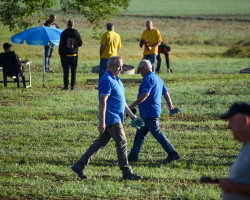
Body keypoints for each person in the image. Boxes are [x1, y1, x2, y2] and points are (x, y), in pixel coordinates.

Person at [71, 56, 141, 180]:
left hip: (116, 117)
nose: (121, 68)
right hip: (111, 118)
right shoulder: (106, 80)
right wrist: (102, 122)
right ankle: (126, 172)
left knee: (100, 143)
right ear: (110, 66)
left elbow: (122, 101)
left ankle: (79, 166)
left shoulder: (117, 79)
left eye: (121, 66)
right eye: (118, 66)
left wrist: (131, 115)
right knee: (122, 142)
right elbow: (103, 101)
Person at [128, 59, 180, 163]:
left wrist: (131, 106)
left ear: (144, 68)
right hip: (149, 112)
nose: (139, 73)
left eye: (140, 70)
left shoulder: (148, 78)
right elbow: (166, 93)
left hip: (149, 112)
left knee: (156, 133)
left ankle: (172, 153)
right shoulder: (158, 78)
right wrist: (171, 106)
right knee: (141, 133)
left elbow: (145, 95)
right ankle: (133, 154)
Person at [218, 102, 250, 200]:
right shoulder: (246, 146)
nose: (229, 126)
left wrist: (235, 187)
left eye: (232, 121)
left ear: (245, 121)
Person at [59, 20, 82, 90]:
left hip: (65, 55)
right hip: (74, 55)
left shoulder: (64, 33)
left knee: (66, 71)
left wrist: (60, 53)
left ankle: (66, 86)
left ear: (67, 25)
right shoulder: (76, 33)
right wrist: (75, 45)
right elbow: (80, 43)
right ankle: (72, 86)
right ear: (73, 25)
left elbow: (61, 44)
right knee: (73, 71)